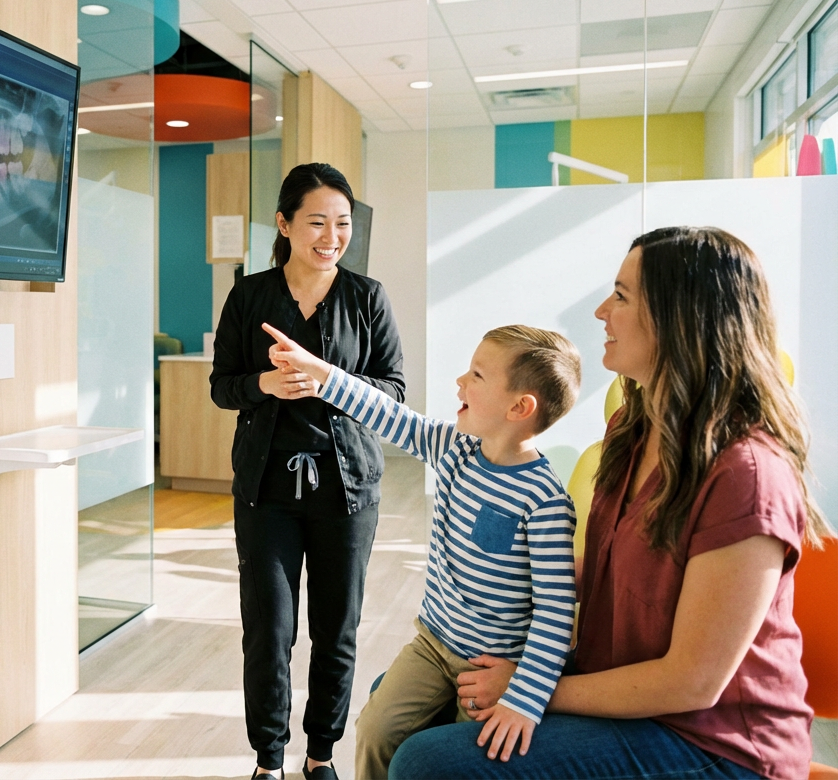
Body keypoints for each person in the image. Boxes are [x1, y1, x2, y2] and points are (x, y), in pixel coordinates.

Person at [388, 226, 834, 780]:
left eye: (621, 296)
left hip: (713, 742)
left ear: (681, 318)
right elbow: (618, 574)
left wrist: (528, 692)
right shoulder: (633, 426)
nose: (602, 310)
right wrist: (513, 573)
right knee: (405, 702)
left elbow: (692, 681)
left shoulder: (747, 473)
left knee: (427, 762)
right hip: (626, 684)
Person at [264, 322, 581, 779]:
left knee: (452, 764)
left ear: (519, 407)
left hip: (488, 665)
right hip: (432, 644)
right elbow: (387, 415)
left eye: (477, 375)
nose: (460, 382)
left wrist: (524, 700)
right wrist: (321, 373)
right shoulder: (455, 447)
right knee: (375, 730)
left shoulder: (545, 502)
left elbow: (556, 610)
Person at [210, 163, 406, 780]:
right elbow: (222, 387)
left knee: (336, 629)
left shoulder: (367, 296)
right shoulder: (249, 295)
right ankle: (269, 762)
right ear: (285, 224)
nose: (331, 236)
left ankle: (319, 757)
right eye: (317, 221)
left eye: (342, 223)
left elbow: (395, 392)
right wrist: (266, 383)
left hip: (347, 491)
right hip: (266, 488)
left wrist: (328, 378)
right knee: (268, 632)